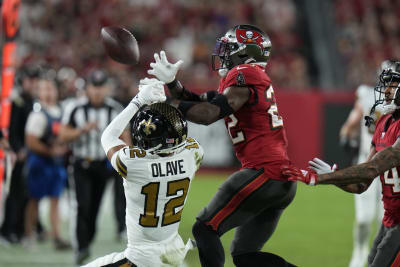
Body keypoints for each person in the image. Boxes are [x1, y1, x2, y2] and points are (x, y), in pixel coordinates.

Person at [148, 24, 297, 267]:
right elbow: (199, 101)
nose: (222, 55)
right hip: (279, 178)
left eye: (228, 49)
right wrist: (173, 84)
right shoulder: (246, 79)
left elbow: (208, 114)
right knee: (245, 256)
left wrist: (165, 105)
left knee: (205, 229)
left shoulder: (245, 74)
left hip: (264, 172)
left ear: (245, 53)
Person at [282, 61, 400, 267]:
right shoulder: (383, 122)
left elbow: (373, 168)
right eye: (385, 83)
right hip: (391, 221)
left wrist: (323, 178)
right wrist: (334, 176)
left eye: (392, 84)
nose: (385, 90)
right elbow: (361, 184)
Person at [83, 78, 203, 267]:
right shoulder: (193, 153)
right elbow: (172, 135)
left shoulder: (134, 164)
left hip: (142, 259)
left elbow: (108, 136)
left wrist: (139, 100)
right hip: (173, 252)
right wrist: (160, 105)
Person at [59, 70, 130, 265]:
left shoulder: (114, 108)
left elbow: (125, 136)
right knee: (82, 205)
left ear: (107, 88)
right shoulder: (75, 108)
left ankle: (87, 240)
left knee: (95, 207)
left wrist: (126, 155)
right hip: (81, 164)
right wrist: (82, 130)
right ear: (88, 88)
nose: (97, 92)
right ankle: (81, 247)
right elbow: (63, 136)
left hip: (103, 165)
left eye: (101, 87)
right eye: (94, 87)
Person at [340, 61, 393, 267]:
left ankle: (380, 259)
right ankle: (359, 252)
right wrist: (347, 134)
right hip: (366, 164)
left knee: (384, 220)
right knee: (364, 218)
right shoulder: (366, 94)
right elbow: (353, 120)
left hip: (389, 170)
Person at [24, 76, 70, 250]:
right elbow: (31, 141)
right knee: (34, 199)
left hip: (55, 163)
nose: (48, 93)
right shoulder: (37, 113)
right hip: (40, 162)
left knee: (55, 199)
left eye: (51, 88)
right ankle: (29, 235)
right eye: (44, 89)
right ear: (39, 92)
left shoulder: (60, 110)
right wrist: (51, 151)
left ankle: (56, 236)